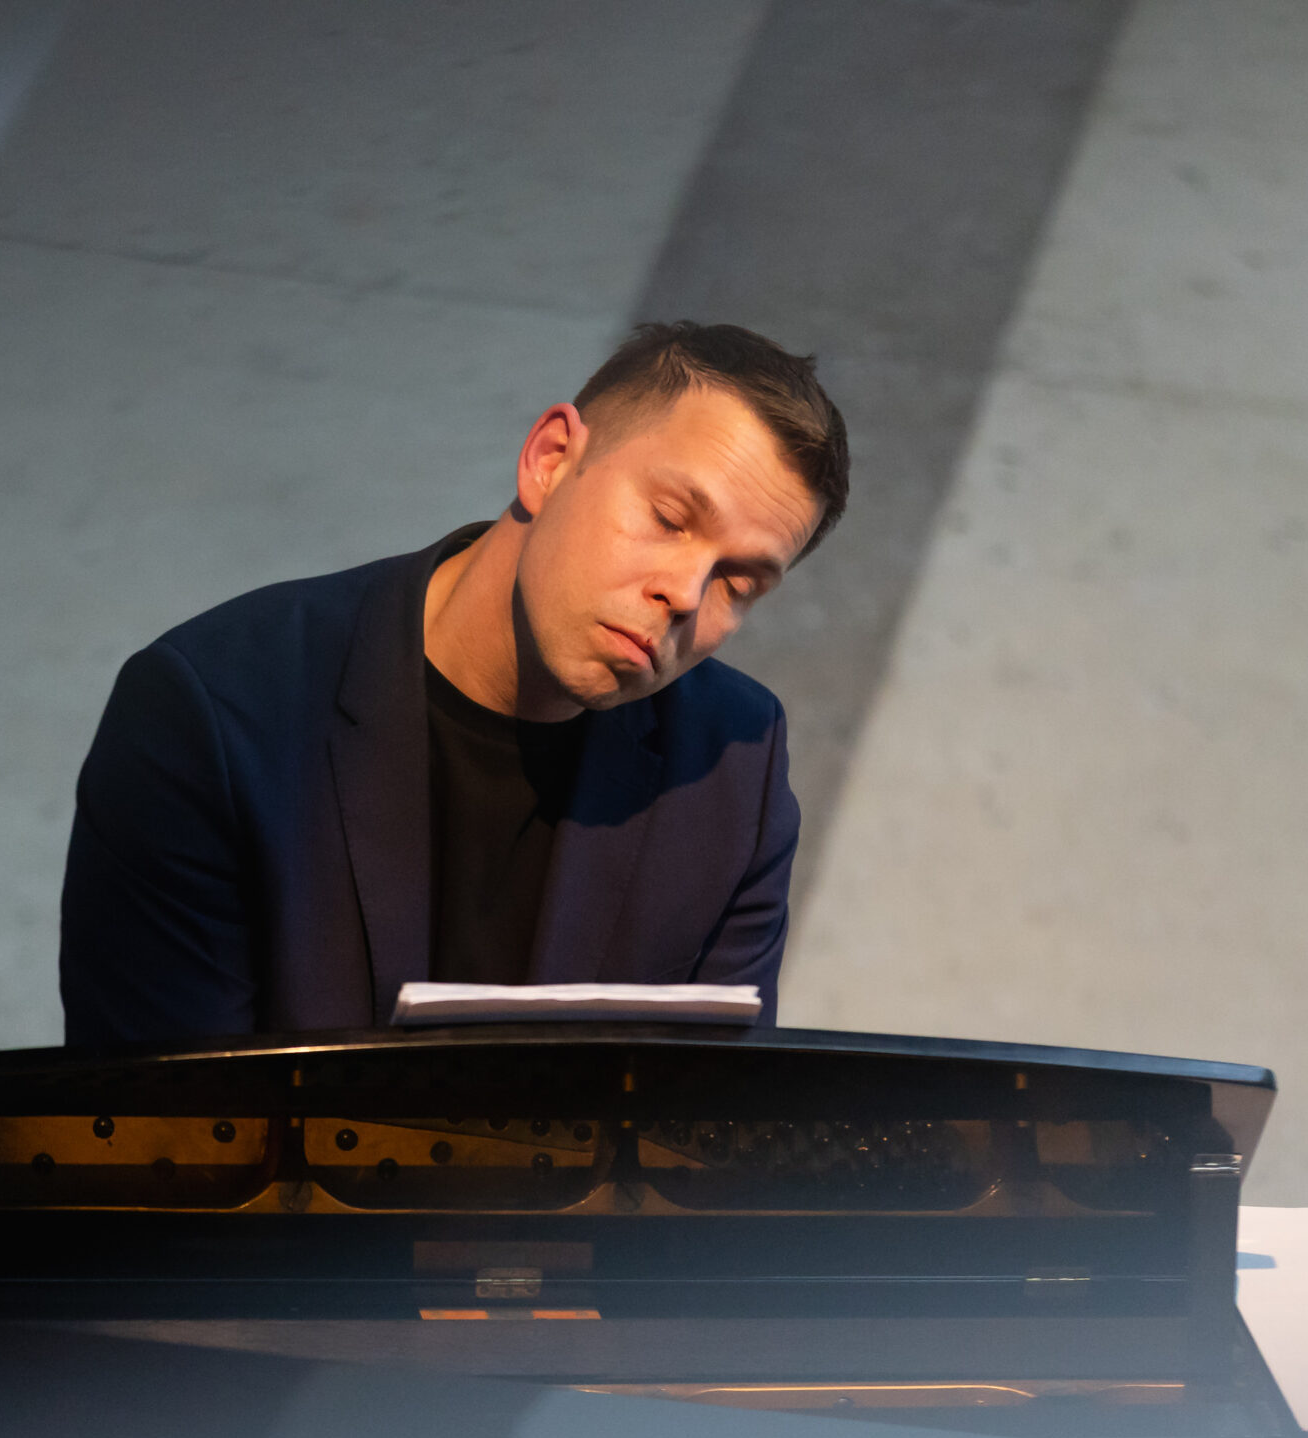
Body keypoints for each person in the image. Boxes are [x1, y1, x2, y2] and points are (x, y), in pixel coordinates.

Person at [59, 321, 848, 1048]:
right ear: (549, 460)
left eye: (738, 584)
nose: (684, 592)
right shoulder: (217, 711)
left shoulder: (732, 767)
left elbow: (709, 1121)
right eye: (670, 518)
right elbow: (166, 1124)